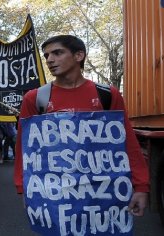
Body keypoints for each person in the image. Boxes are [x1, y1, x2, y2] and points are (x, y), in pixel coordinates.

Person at [14, 35, 149, 216]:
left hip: (101, 191)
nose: (50, 60)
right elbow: (25, 148)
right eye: (46, 56)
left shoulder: (108, 95)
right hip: (54, 192)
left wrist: (141, 186)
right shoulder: (35, 98)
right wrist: (24, 187)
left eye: (57, 53)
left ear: (79, 56)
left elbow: (128, 143)